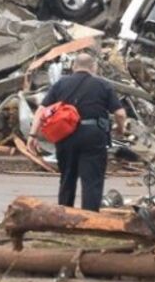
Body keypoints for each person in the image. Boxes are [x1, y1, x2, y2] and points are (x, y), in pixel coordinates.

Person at [29, 53, 127, 211]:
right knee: (92, 181)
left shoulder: (61, 84)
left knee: (67, 177)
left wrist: (32, 135)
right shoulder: (103, 85)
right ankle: (90, 218)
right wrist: (121, 129)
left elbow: (42, 109)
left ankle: (64, 216)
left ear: (74, 67)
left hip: (66, 135)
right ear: (93, 67)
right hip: (93, 136)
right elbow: (120, 114)